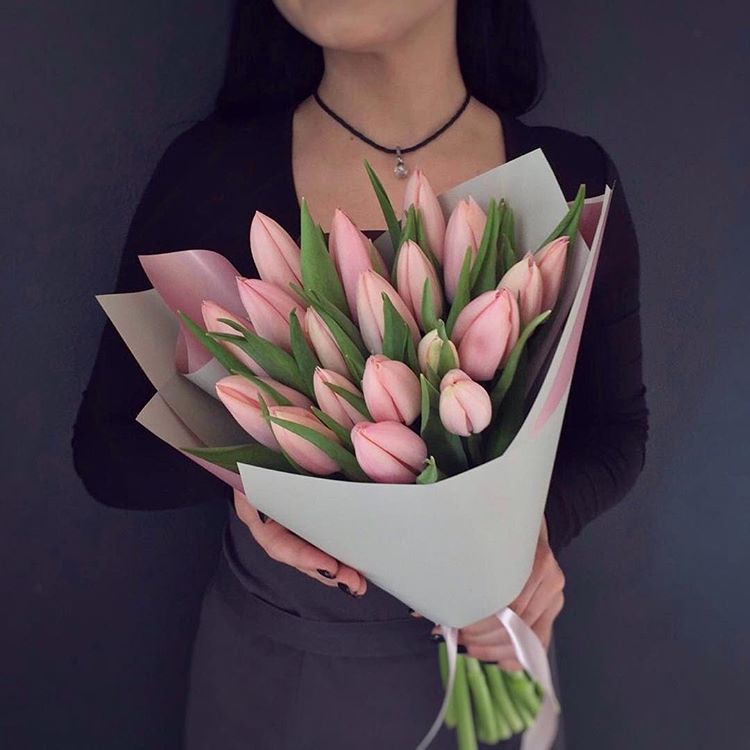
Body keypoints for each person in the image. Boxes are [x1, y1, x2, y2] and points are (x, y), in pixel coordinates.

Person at [71, 1, 650, 748]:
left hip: (495, 652)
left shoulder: (569, 177)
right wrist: (263, 485)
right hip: (286, 669)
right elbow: (108, 454)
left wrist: (529, 537)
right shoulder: (213, 172)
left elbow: (616, 431)